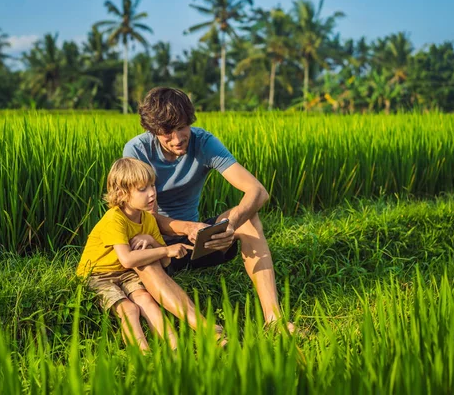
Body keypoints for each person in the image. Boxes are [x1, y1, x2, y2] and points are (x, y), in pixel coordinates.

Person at [123, 87, 294, 332]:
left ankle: (274, 318)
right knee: (141, 247)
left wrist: (231, 223)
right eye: (167, 133)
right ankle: (204, 328)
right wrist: (188, 227)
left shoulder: (203, 142)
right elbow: (141, 216)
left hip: (199, 243)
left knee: (249, 218)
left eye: (182, 127)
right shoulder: (137, 151)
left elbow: (258, 191)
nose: (177, 138)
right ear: (152, 131)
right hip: (159, 243)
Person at [76, 157, 223, 352]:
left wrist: (154, 243)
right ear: (122, 193)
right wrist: (164, 249)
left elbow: (165, 262)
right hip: (98, 275)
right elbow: (127, 259)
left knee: (147, 300)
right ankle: (142, 355)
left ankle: (176, 348)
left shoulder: (147, 219)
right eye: (142, 189)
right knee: (130, 309)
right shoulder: (114, 219)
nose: (152, 193)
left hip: (124, 274)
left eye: (153, 186)